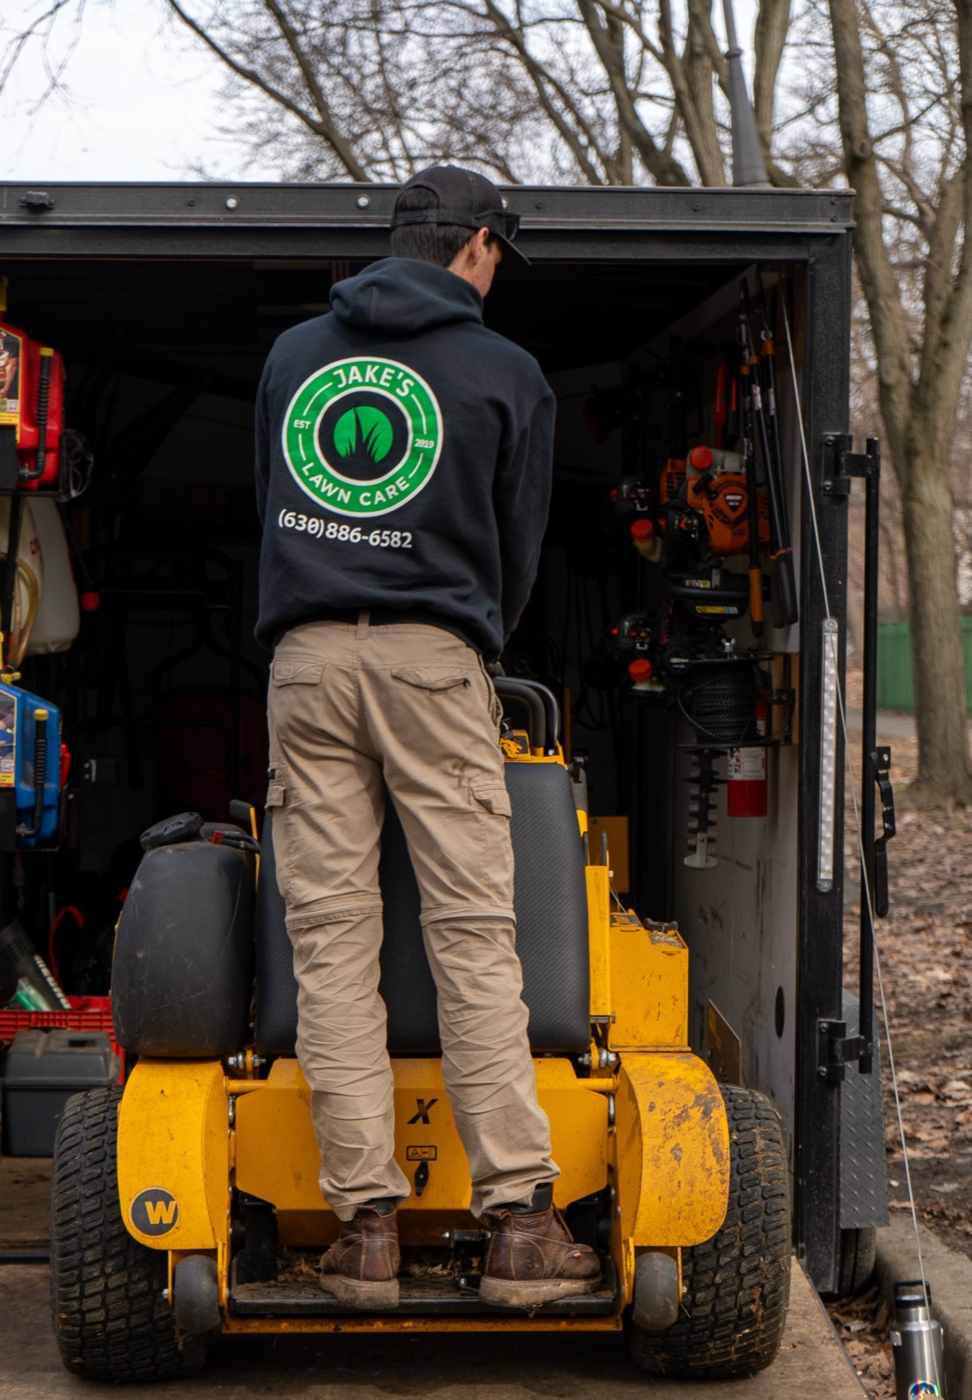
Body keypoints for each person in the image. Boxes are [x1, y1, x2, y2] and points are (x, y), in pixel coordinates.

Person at [253, 165, 599, 1311]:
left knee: (332, 940)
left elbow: (268, 493)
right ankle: (518, 1224)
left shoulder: (297, 356)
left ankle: (363, 1233)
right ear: (480, 246)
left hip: (305, 659)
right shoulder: (504, 371)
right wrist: (464, 629)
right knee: (470, 931)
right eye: (500, 254)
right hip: (433, 656)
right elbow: (521, 540)